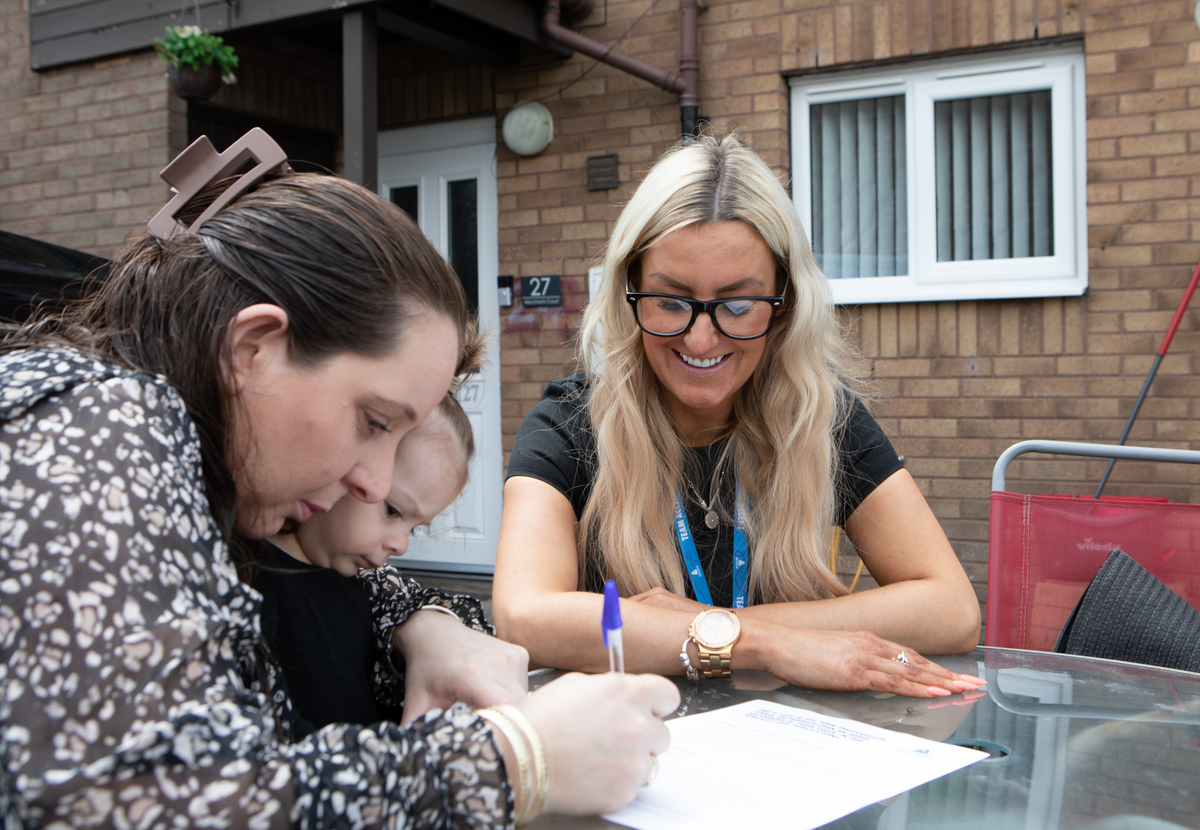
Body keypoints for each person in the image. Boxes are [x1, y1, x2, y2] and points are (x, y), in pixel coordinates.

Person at [0, 132, 678, 829]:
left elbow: (356, 583)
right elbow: (144, 803)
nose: (371, 481)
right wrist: (513, 759)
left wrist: (429, 624)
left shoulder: (183, 456)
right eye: (373, 421)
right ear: (253, 349)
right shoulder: (95, 433)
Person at [494, 133, 982, 698]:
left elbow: (953, 608)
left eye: (739, 304)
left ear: (785, 304)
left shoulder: (821, 417)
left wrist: (708, 627)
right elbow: (523, 614)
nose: (701, 338)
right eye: (671, 301)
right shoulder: (571, 423)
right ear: (629, 293)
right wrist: (762, 644)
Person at [256, 391, 498, 736]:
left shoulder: (366, 589)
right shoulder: (251, 590)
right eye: (393, 511)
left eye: (415, 528)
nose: (401, 545)